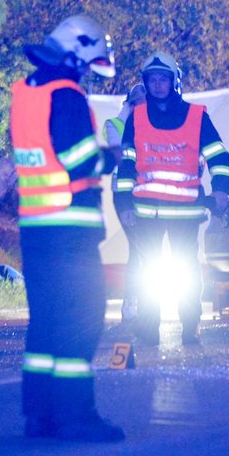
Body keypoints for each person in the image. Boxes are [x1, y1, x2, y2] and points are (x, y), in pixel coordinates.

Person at [10, 15, 124, 442]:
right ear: (75, 54)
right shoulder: (68, 97)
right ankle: (77, 417)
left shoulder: (28, 94)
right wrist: (112, 156)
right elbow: (81, 162)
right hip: (71, 230)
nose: (86, 75)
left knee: (45, 323)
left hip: (36, 227)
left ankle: (40, 416)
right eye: (87, 65)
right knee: (81, 320)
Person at [115, 50, 229, 346]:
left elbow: (220, 156)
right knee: (147, 274)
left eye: (163, 79)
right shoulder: (136, 117)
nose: (157, 85)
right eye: (152, 79)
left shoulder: (197, 117)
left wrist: (221, 189)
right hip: (146, 213)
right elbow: (127, 163)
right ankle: (148, 328)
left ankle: (190, 325)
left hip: (186, 213)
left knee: (188, 273)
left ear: (174, 82)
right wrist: (124, 205)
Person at [103, 83, 147, 328]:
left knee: (146, 250)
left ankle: (143, 307)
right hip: (125, 194)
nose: (144, 102)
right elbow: (120, 156)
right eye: (138, 99)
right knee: (139, 249)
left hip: (150, 191)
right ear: (129, 102)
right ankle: (131, 306)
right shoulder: (116, 124)